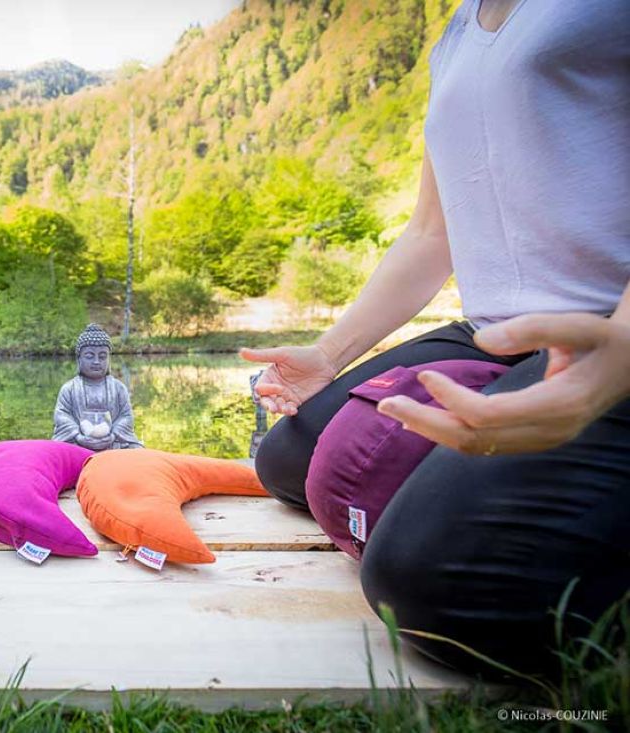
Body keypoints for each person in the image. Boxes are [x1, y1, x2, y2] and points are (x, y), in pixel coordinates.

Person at [242, 0, 629, 675]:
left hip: (606, 335)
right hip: (495, 333)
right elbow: (430, 234)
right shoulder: (455, 35)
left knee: (421, 584)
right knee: (288, 458)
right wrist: (328, 355)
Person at [52, 324, 143, 451]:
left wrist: (113, 435)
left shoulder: (118, 388)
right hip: (79, 443)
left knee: (137, 451)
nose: (96, 361)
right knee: (56, 451)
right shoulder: (69, 388)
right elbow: (62, 416)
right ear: (79, 359)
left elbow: (126, 417)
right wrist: (78, 436)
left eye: (102, 356)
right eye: (89, 356)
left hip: (113, 442)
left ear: (109, 359)